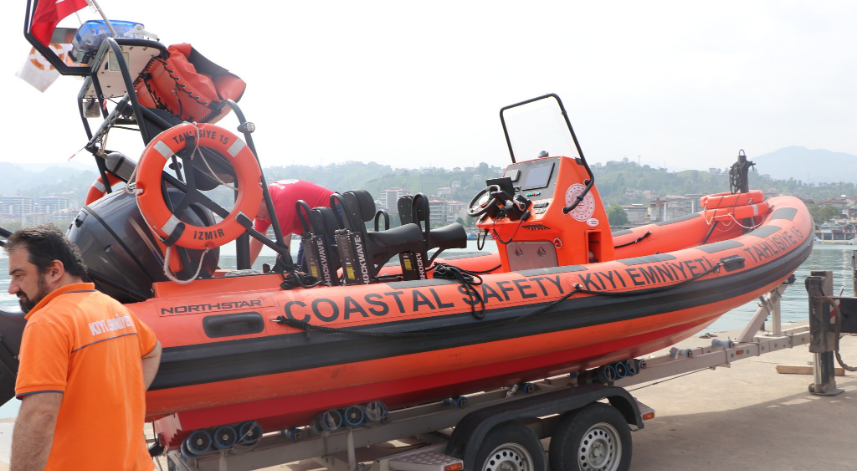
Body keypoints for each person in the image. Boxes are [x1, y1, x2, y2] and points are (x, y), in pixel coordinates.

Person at [6, 225, 162, 471]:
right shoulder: (113, 308)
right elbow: (153, 351)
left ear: (54, 271)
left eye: (19, 275)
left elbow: (41, 415)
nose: (12, 288)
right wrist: (120, 400)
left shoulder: (47, 321)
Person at [250, 179, 336, 269]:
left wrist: (281, 270)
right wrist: (244, 268)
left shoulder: (280, 206)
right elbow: (257, 240)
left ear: (263, 201)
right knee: (302, 267)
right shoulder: (262, 210)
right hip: (311, 229)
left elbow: (284, 247)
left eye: (255, 214)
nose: (255, 218)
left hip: (332, 214)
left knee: (311, 268)